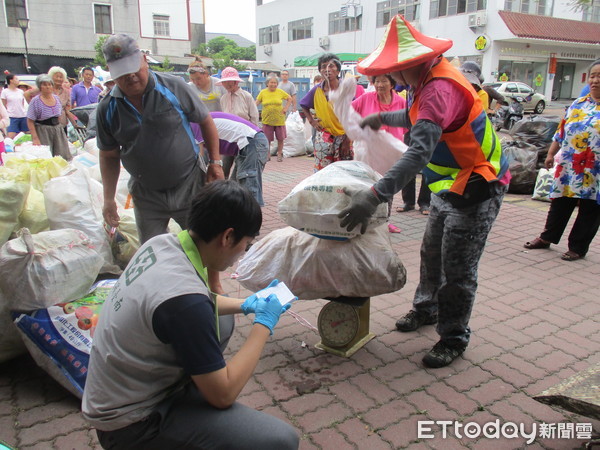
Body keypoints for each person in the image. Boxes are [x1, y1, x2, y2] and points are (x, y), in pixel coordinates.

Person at [338, 15, 509, 368]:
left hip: (479, 182)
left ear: (409, 65)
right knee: (432, 252)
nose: (390, 78)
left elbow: (417, 154)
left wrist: (373, 196)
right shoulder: (426, 79)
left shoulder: (438, 87)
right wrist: (385, 119)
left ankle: (453, 337)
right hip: (450, 182)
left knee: (458, 268)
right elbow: (418, 116)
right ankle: (426, 308)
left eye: (393, 71)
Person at [82, 180, 299, 450]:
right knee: (281, 441)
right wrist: (263, 324)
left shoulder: (162, 244)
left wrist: (246, 304)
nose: (241, 254)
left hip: (119, 387)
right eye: (246, 245)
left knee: (221, 319)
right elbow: (224, 395)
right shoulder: (186, 304)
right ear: (227, 237)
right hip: (131, 423)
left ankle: (196, 388)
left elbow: (184, 303)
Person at [95, 33, 225, 295]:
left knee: (205, 239)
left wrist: (215, 162)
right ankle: (164, 296)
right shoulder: (107, 107)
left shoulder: (173, 86)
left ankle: (214, 287)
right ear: (111, 72)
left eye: (134, 69)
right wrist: (108, 199)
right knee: (151, 251)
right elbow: (109, 156)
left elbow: (206, 121)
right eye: (122, 73)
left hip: (189, 182)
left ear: (144, 60)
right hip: (147, 192)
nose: (131, 77)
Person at [523, 58, 600, 262]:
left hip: (596, 169)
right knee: (560, 201)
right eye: (593, 76)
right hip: (570, 164)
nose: (595, 80)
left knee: (590, 207)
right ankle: (547, 237)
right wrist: (551, 153)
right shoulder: (579, 103)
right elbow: (562, 131)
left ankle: (578, 246)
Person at [351, 73, 408, 231]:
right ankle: (366, 219)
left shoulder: (401, 102)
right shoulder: (366, 98)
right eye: (377, 81)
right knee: (368, 184)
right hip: (368, 152)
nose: (380, 84)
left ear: (392, 84)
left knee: (388, 185)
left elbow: (406, 124)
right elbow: (350, 113)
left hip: (391, 154)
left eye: (384, 81)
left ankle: (384, 221)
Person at [191, 112, 269, 206]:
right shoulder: (196, 122)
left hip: (252, 141)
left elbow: (199, 162)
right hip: (247, 144)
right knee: (235, 190)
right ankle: (237, 218)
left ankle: (249, 218)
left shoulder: (194, 125)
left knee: (248, 190)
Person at [300, 53, 353, 171]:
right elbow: (304, 105)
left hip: (345, 135)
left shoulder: (347, 88)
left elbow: (355, 114)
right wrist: (312, 121)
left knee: (344, 169)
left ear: (338, 70)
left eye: (331, 66)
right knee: (322, 170)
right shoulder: (316, 90)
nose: (327, 70)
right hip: (324, 135)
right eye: (324, 67)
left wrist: (348, 139)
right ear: (320, 71)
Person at [217, 67, 259, 178]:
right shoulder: (223, 99)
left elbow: (254, 117)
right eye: (224, 82)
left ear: (236, 82)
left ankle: (235, 188)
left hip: (244, 137)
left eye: (229, 82)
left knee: (240, 166)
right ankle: (222, 188)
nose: (227, 85)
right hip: (228, 138)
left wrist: (253, 138)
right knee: (224, 166)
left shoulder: (246, 96)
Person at [26, 74, 72, 161]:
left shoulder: (56, 98)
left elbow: (58, 116)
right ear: (40, 87)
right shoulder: (35, 101)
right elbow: (30, 120)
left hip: (57, 129)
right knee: (46, 157)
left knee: (61, 157)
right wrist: (35, 138)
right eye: (44, 85)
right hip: (43, 131)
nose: (47, 87)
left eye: (49, 84)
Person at [256, 75, 291, 162]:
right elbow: (256, 102)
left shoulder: (280, 92)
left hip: (279, 119)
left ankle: (279, 154)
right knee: (267, 138)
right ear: (267, 83)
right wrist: (251, 109)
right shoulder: (263, 92)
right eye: (271, 82)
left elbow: (289, 98)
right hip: (267, 119)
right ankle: (267, 154)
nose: (273, 84)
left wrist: (286, 108)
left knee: (280, 138)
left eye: (275, 83)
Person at [48, 66, 78, 134]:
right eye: (56, 76)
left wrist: (75, 124)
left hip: (62, 125)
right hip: (49, 125)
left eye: (61, 77)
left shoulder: (66, 92)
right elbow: (27, 94)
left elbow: (67, 110)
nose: (59, 79)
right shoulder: (47, 90)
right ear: (51, 77)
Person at [1, 74, 29, 138]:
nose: (18, 81)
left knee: (23, 136)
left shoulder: (20, 91)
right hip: (12, 116)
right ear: (11, 80)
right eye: (16, 79)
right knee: (11, 135)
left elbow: (22, 103)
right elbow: (4, 105)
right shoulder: (5, 92)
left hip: (22, 116)